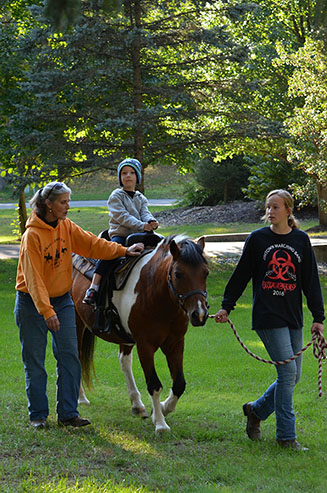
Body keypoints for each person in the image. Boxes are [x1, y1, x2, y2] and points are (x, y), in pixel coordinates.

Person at [14, 181, 144, 429]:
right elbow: (33, 279)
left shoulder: (65, 226)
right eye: (63, 202)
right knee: (35, 362)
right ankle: (39, 416)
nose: (68, 206)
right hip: (32, 303)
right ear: (49, 205)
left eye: (68, 201)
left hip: (62, 299)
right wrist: (46, 311)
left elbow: (93, 245)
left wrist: (123, 251)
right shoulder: (32, 235)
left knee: (70, 356)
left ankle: (68, 413)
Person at [214, 189, 324, 451]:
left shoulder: (300, 240)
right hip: (267, 315)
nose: (270, 212)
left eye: (276, 207)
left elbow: (310, 281)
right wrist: (226, 306)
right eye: (268, 207)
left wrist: (318, 318)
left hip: (293, 316)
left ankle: (256, 410)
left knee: (294, 376)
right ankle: (286, 436)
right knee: (287, 373)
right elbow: (241, 275)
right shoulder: (257, 239)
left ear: (288, 211)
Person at [83, 158, 159, 306]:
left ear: (137, 177)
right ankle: (94, 287)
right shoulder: (116, 196)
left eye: (132, 173)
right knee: (109, 253)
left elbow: (145, 212)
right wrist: (142, 225)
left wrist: (150, 221)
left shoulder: (140, 197)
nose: (128, 176)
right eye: (124, 173)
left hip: (139, 235)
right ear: (120, 178)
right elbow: (122, 217)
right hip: (121, 235)